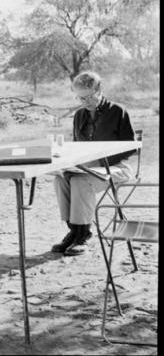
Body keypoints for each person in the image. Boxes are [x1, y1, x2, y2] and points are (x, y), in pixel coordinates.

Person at [52, 71, 136, 256]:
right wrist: (67, 164)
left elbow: (132, 147)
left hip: (117, 168)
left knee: (80, 182)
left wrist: (98, 161)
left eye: (90, 97)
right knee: (61, 180)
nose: (86, 102)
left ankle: (83, 235)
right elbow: (76, 148)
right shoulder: (79, 115)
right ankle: (74, 231)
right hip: (87, 169)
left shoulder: (117, 111)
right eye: (81, 98)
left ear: (100, 90)